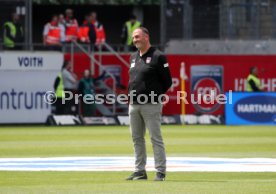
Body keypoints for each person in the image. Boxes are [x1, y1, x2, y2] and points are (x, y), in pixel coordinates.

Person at [126, 27, 172, 181]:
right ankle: (140, 171)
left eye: (137, 36)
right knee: (136, 138)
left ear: (146, 37)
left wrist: (154, 96)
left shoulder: (158, 56)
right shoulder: (133, 57)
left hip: (150, 104)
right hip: (134, 104)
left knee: (155, 138)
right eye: (133, 37)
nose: (135, 40)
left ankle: (160, 171)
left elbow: (168, 81)